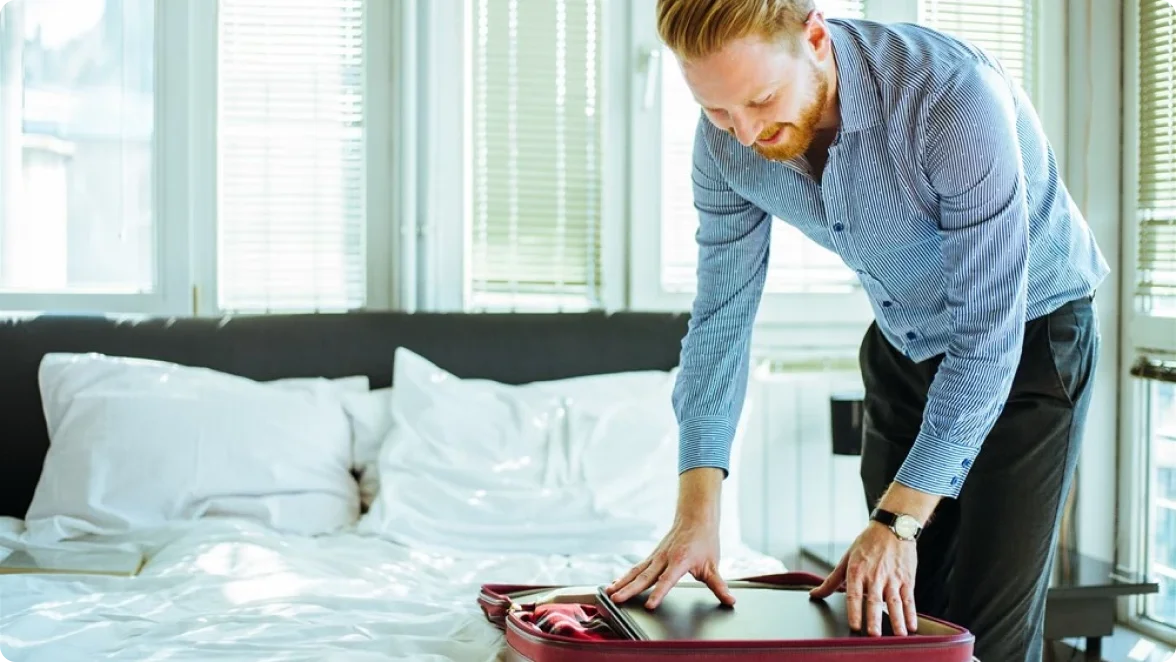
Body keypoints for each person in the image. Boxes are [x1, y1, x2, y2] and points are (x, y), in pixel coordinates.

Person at [603, 2, 1109, 661]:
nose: (747, 133)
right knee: (896, 620)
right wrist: (697, 517)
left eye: (760, 99)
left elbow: (988, 338)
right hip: (904, 341)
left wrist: (897, 521)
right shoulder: (725, 143)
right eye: (719, 111)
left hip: (1030, 343)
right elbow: (721, 321)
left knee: (984, 640)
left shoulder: (951, 99)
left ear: (815, 39)